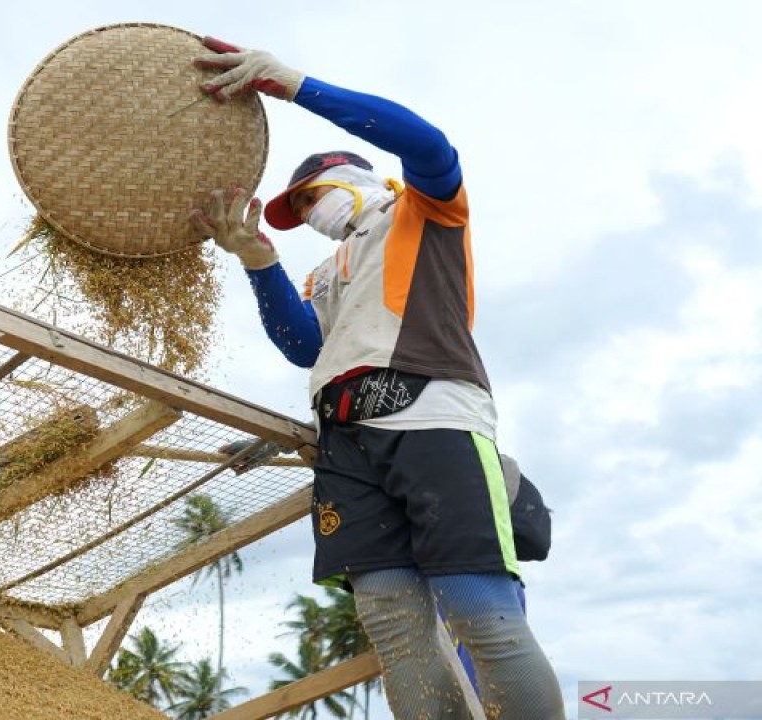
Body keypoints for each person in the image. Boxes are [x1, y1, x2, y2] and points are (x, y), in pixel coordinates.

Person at [189, 36, 565, 718]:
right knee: (395, 627)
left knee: (480, 613)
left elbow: (428, 144)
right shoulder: (323, 273)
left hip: (429, 417)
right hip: (347, 442)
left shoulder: (421, 213)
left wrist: (293, 84)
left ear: (352, 175)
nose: (307, 214)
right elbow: (303, 347)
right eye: (297, 211)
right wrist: (258, 261)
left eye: (310, 197)